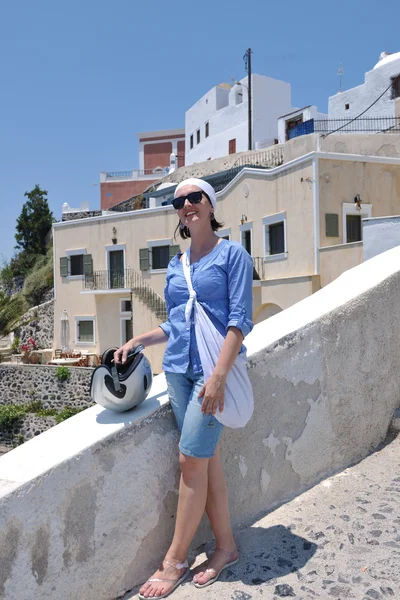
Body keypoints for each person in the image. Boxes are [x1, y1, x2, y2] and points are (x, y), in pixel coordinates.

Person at [114, 177, 254, 599]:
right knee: (205, 463)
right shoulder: (177, 265)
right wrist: (139, 340)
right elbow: (176, 323)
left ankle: (173, 561)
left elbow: (238, 322)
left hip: (211, 375)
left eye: (195, 198)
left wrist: (218, 377)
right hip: (176, 370)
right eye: (179, 201)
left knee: (190, 461)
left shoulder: (233, 256)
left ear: (210, 206)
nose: (187, 205)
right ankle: (226, 547)